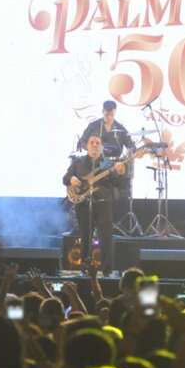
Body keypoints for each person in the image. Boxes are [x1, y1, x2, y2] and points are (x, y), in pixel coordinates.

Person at [63, 134, 126, 275]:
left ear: (101, 146)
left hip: (103, 204)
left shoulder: (109, 164)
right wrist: (71, 178)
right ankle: (84, 269)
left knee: (106, 238)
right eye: (92, 142)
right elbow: (65, 178)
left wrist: (121, 173)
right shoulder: (78, 162)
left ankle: (106, 270)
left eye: (98, 143)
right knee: (85, 237)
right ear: (87, 146)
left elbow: (118, 183)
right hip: (84, 204)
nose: (95, 145)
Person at [78, 100, 136, 215]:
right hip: (95, 162)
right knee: (83, 183)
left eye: (112, 115)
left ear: (115, 113)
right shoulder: (93, 126)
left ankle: (117, 216)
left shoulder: (120, 128)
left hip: (113, 165)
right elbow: (82, 142)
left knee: (123, 186)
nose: (109, 117)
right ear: (102, 112)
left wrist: (136, 150)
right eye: (106, 115)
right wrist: (92, 150)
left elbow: (130, 145)